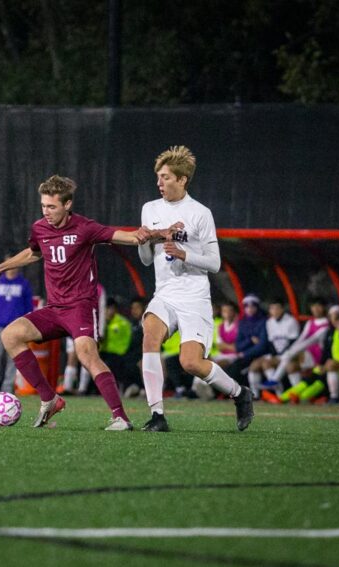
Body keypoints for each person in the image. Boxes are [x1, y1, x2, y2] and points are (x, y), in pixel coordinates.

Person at [0, 174, 154, 431]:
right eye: (43, 206)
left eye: (52, 206)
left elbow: (119, 235)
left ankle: (120, 417)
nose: (46, 212)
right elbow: (33, 253)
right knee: (10, 335)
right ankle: (49, 399)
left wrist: (143, 235)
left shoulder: (85, 227)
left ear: (67, 204)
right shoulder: (40, 228)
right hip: (54, 309)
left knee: (86, 354)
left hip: (81, 307)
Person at [137, 146, 254, 433]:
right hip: (164, 294)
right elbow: (146, 260)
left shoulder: (200, 213)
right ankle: (157, 416)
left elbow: (214, 263)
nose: (159, 183)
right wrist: (144, 240)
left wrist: (183, 253)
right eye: (158, 177)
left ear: (182, 179)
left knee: (190, 363)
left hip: (194, 297)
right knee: (149, 337)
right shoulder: (150, 209)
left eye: (165, 178)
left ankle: (240, 393)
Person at [0, 258, 34, 395]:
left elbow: (29, 307)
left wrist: (27, 325)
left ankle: (8, 388)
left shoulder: (24, 284)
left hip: (16, 328)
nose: (12, 268)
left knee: (13, 360)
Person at [249, 298, 299, 399]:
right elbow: (272, 342)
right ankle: (256, 396)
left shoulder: (291, 321)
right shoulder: (269, 322)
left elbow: (294, 342)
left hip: (291, 354)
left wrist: (279, 355)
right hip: (277, 355)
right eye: (272, 309)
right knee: (255, 365)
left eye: (277, 308)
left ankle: (296, 395)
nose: (274, 311)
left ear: (282, 309)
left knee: (289, 366)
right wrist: (273, 355)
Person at [225, 294, 268, 386]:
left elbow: (262, 346)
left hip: (257, 355)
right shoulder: (242, 323)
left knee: (236, 371)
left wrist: (245, 353)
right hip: (244, 356)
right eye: (247, 307)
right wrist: (250, 340)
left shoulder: (263, 322)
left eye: (253, 306)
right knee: (230, 369)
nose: (250, 309)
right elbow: (238, 345)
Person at [100, 297, 133, 393]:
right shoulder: (100, 322)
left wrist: (123, 351)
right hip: (103, 352)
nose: (109, 311)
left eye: (111, 309)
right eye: (106, 309)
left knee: (114, 363)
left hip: (119, 353)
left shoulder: (123, 323)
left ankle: (118, 388)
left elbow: (128, 340)